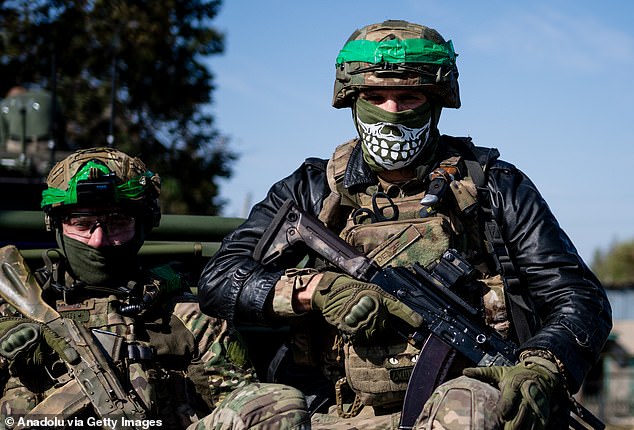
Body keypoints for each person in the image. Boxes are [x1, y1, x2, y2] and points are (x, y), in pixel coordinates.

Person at [197, 19, 613, 429]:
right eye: (376, 96)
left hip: (465, 408)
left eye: (409, 97)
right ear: (352, 99)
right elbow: (219, 279)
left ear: (435, 101)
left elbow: (578, 298)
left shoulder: (493, 186)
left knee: (470, 408)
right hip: (336, 411)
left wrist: (542, 364)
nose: (391, 112)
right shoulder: (310, 189)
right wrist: (314, 291)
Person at [0, 147, 258, 429]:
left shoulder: (191, 317)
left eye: (118, 223)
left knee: (277, 402)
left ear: (145, 224)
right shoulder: (13, 310)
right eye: (82, 224)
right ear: (56, 225)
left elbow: (243, 406)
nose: (98, 240)